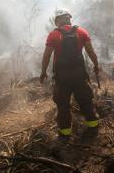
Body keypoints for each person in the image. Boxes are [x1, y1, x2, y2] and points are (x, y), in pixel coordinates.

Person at [40, 9, 100, 141]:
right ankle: (93, 126)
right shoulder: (81, 32)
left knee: (63, 105)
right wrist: (96, 65)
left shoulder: (53, 35)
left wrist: (43, 72)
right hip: (79, 75)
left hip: (62, 78)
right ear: (69, 19)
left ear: (57, 22)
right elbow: (91, 51)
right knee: (85, 101)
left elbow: (46, 56)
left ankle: (65, 134)